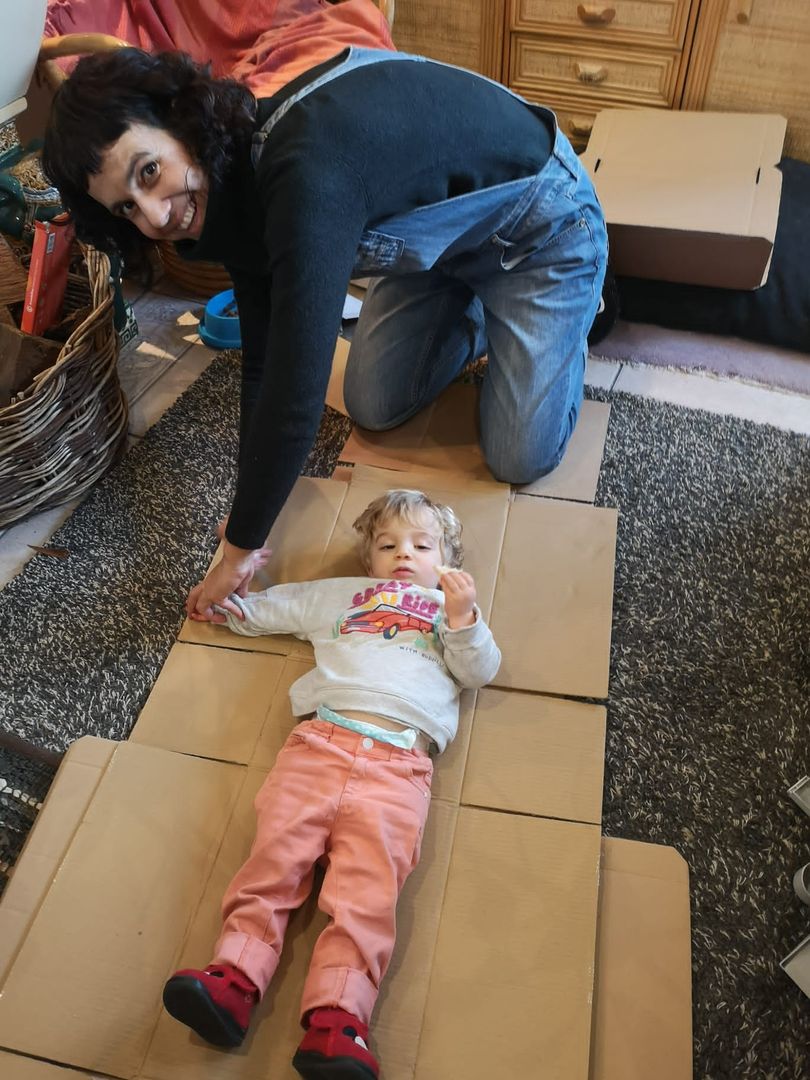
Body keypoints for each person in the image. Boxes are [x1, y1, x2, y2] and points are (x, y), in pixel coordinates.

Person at [42, 42, 607, 624]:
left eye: (150, 172)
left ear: (180, 121)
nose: (156, 216)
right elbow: (264, 358)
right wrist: (248, 514)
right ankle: (486, 315)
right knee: (375, 403)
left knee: (520, 455)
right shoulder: (229, 191)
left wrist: (236, 553)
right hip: (439, 254)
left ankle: (582, 297)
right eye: (127, 209)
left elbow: (296, 391)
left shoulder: (303, 170)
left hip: (541, 230)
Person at [160, 488, 501, 1079]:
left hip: (398, 768)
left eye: (422, 544)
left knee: (367, 895)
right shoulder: (341, 596)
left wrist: (463, 617)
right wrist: (228, 594)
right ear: (367, 559)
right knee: (273, 859)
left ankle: (338, 1021)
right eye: (387, 544)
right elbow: (270, 613)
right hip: (319, 746)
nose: (404, 554)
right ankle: (232, 979)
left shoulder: (448, 612)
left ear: (448, 560)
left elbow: (479, 672)